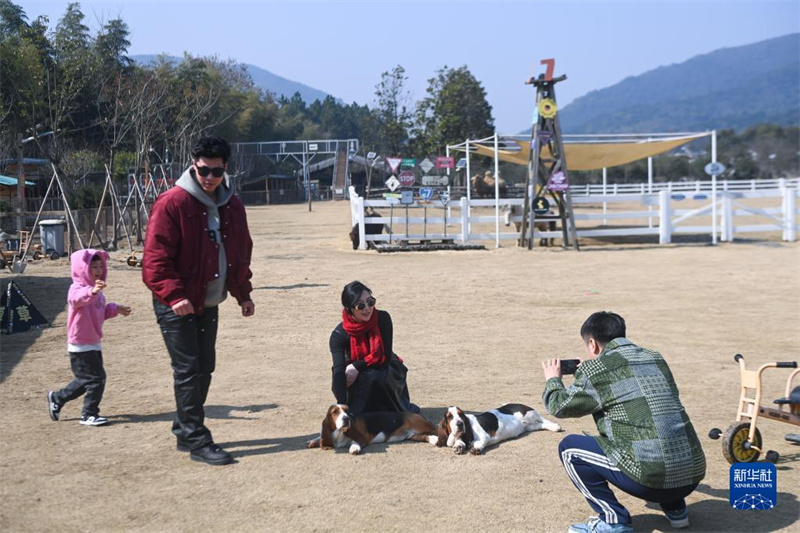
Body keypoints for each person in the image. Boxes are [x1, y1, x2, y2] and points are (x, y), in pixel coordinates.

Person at [142, 135, 254, 466]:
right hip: (175, 302)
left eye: (216, 172)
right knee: (188, 369)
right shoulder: (172, 203)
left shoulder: (232, 205)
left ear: (225, 170)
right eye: (203, 170)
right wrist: (174, 295)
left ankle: (183, 427)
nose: (209, 178)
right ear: (193, 165)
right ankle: (196, 438)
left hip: (208, 302)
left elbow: (239, 252)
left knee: (206, 367)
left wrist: (243, 293)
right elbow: (154, 261)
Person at [541, 312, 705, 533]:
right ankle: (676, 509)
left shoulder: (596, 369)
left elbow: (558, 406)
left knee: (570, 449)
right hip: (692, 473)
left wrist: (553, 379)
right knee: (658, 429)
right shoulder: (655, 357)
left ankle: (613, 521)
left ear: (592, 344)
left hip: (649, 479)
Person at [47, 250, 131, 426]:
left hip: (93, 342)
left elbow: (101, 312)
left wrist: (116, 308)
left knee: (88, 379)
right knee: (96, 379)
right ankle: (89, 414)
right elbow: (76, 300)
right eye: (93, 266)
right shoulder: (76, 288)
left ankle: (57, 398)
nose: (98, 270)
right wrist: (92, 292)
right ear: (82, 268)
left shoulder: (98, 291)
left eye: (101, 266)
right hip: (79, 343)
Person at [328, 281, 418, 415]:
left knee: (375, 376)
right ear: (349, 308)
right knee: (342, 377)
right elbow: (338, 370)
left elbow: (385, 358)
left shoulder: (383, 318)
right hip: (357, 373)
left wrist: (357, 366)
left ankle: (389, 413)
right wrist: (342, 407)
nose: (367, 309)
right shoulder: (338, 335)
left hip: (385, 367)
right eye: (360, 305)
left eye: (370, 302)